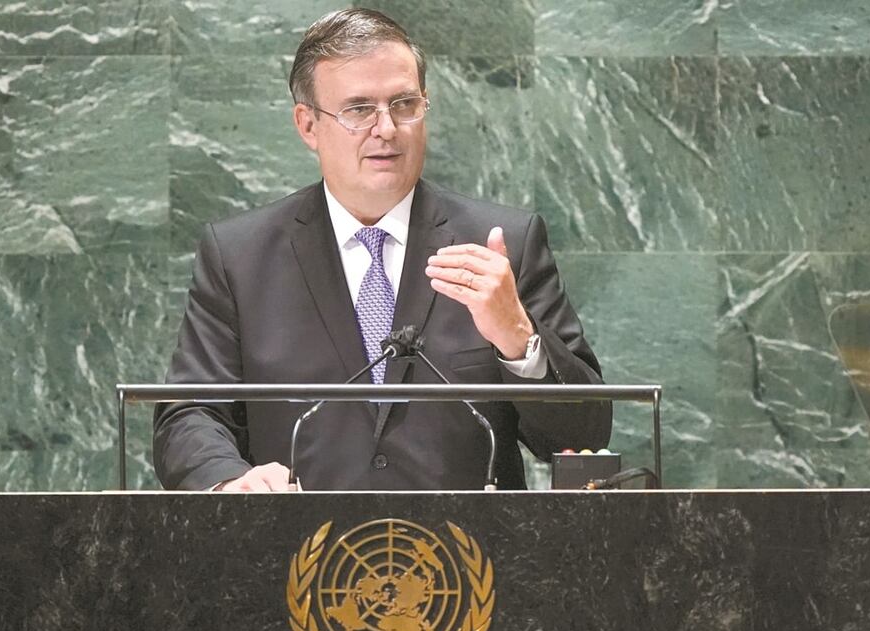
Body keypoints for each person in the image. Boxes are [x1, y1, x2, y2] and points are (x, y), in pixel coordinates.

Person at [153, 8, 611, 491]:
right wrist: (231, 482)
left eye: (404, 104)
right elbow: (190, 414)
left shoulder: (503, 245)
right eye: (359, 109)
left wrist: (519, 340)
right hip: (297, 555)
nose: (387, 128)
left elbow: (585, 435)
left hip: (472, 558)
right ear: (308, 125)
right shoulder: (239, 256)